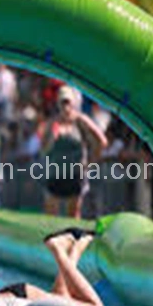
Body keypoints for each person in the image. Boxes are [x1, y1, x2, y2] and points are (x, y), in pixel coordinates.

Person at [42, 86, 108, 218]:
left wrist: (91, 163)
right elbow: (44, 149)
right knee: (50, 216)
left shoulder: (80, 121)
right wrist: (52, 138)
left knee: (73, 216)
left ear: (73, 103)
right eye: (62, 102)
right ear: (58, 104)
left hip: (76, 176)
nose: (65, 106)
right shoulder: (52, 123)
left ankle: (73, 238)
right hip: (56, 174)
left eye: (68, 102)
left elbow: (102, 141)